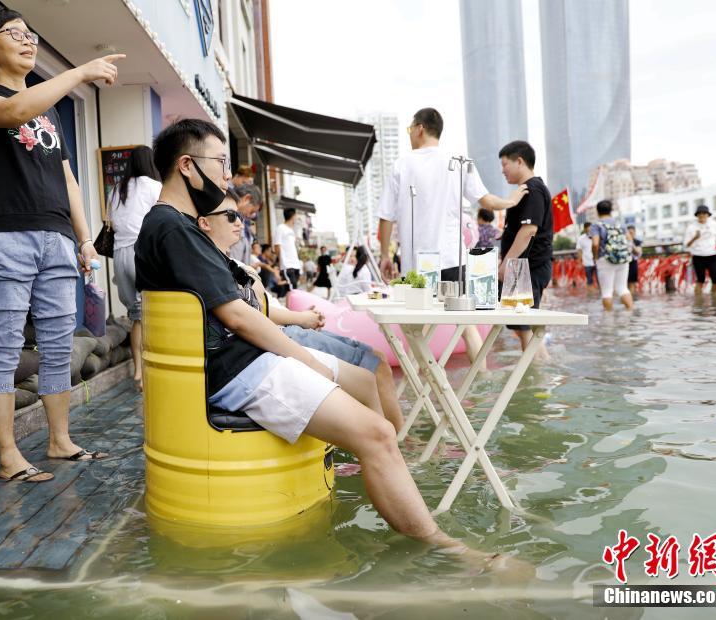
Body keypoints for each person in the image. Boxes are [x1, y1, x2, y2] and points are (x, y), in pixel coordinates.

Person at [134, 118, 478, 554]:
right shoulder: (172, 227)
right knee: (378, 434)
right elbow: (238, 316)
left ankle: (384, 466)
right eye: (221, 162)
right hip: (240, 372)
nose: (227, 174)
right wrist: (305, 358)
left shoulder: (180, 226)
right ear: (186, 165)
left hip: (251, 358)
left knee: (365, 378)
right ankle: (445, 548)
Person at [0, 7, 119, 482]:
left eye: (31, 35)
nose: (28, 42)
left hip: (57, 240)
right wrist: (81, 71)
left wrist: (85, 239)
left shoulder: (48, 111)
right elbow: (13, 110)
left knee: (57, 345)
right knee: (4, 348)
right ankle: (9, 459)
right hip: (5, 237)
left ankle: (59, 441)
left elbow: (66, 176)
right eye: (15, 34)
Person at [199, 192, 405, 432]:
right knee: (377, 366)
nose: (240, 222)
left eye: (241, 217)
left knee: (375, 368)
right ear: (204, 223)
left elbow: (252, 311)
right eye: (232, 216)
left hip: (278, 338)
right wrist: (301, 320)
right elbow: (249, 316)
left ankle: (390, 442)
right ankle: (394, 443)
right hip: (278, 341)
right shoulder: (218, 269)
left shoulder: (231, 264)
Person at [377, 109, 525, 369]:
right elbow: (487, 200)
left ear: (420, 128)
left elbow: (386, 217)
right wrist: (511, 201)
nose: (410, 134)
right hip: (451, 258)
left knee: (415, 331)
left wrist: (385, 256)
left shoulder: (402, 164)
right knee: (466, 327)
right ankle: (482, 384)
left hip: (416, 264)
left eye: (410, 128)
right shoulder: (459, 160)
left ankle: (421, 393)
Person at [109, 145, 161, 392]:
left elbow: (111, 222)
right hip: (141, 252)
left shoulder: (116, 190)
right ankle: (145, 372)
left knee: (136, 316)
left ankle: (139, 371)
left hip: (119, 255)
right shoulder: (153, 186)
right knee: (148, 315)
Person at [498, 141, 553, 358]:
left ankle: (540, 378)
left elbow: (529, 231)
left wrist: (505, 265)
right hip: (521, 268)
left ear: (519, 161)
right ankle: (535, 375)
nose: (503, 170)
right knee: (523, 329)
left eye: (505, 164)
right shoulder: (523, 191)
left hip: (528, 268)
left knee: (526, 327)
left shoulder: (533, 189)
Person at [589, 200, 633, 311]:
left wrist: (595, 257)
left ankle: (608, 319)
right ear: (611, 211)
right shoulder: (620, 224)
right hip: (623, 259)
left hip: (605, 259)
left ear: (597, 211)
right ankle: (630, 312)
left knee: (607, 291)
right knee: (622, 288)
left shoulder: (596, 225)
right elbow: (629, 240)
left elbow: (595, 243)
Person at [683, 205, 716, 294]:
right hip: (698, 256)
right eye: (700, 214)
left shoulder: (713, 224)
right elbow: (686, 245)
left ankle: (713, 298)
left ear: (708, 215)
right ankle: (698, 303)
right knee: (700, 280)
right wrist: (695, 238)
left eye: (704, 213)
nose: (702, 215)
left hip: (712, 255)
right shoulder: (691, 227)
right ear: (697, 215)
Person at [226, 183, 262, 264]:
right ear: (247, 198)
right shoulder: (225, 212)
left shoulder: (241, 218)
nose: (250, 216)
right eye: (252, 211)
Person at [274, 207, 302, 289]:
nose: (297, 218)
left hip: (295, 264)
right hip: (287, 265)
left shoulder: (292, 230)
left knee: (294, 289)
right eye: (296, 215)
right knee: (292, 289)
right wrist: (280, 262)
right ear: (293, 216)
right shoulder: (280, 228)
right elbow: (277, 246)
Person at [576, 222, 596, 291]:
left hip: (597, 261)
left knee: (600, 280)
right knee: (589, 280)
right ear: (585, 229)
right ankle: (591, 296)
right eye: (588, 229)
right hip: (587, 262)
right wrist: (580, 262)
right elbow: (579, 250)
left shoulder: (596, 236)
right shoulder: (581, 238)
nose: (590, 230)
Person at [627, 225, 643, 294]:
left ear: (635, 233)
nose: (630, 234)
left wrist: (631, 243)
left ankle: (632, 297)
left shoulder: (637, 242)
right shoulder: (623, 241)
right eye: (629, 233)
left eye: (632, 233)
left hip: (633, 263)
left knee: (632, 283)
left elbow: (638, 252)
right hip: (624, 263)